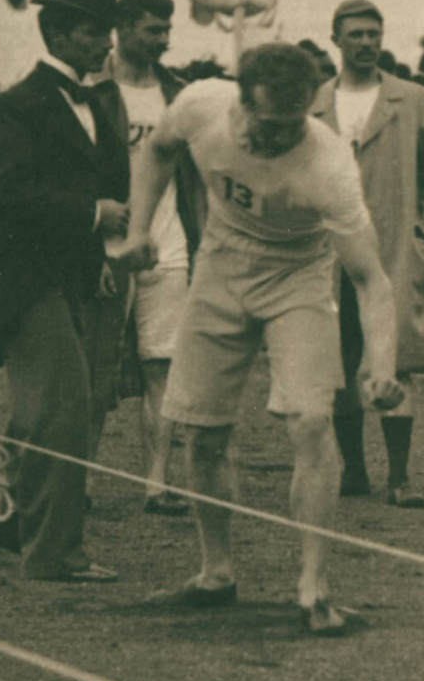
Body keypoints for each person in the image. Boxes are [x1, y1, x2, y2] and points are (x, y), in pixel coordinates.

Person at [119, 42, 403, 634]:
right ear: (241, 100)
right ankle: (216, 570)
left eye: (290, 126)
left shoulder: (328, 166)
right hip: (221, 266)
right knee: (201, 429)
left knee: (310, 420)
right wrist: (139, 227)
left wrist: (381, 364)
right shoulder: (200, 105)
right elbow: (157, 151)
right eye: (265, 124)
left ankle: (313, 584)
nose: (275, 138)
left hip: (297, 277)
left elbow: (371, 281)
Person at [0, 0, 128, 582]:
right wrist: (93, 215)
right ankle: (54, 553)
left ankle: (9, 524)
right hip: (20, 282)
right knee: (64, 408)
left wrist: (101, 259)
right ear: (58, 32)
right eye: (93, 31)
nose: (104, 43)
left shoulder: (92, 102)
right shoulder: (16, 105)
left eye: (107, 31)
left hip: (66, 278)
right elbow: (3, 194)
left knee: (44, 411)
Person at [313, 0, 424, 507]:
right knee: (337, 358)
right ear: (335, 38)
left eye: (374, 33)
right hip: (327, 254)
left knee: (394, 360)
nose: (366, 42)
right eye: (355, 34)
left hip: (394, 248)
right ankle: (353, 471)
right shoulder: (315, 104)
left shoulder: (414, 99)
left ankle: (400, 476)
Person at [94, 0, 204, 515]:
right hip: (107, 245)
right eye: (152, 29)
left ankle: (157, 483)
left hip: (169, 243)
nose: (162, 39)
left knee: (164, 367)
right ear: (122, 28)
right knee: (94, 366)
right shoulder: (91, 87)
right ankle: (83, 480)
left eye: (166, 29)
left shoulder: (177, 93)